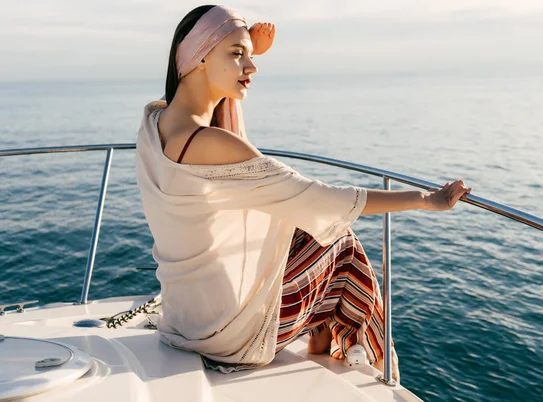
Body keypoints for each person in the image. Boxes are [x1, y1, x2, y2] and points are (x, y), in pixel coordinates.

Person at [135, 4, 471, 383]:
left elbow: (205, 96)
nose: (253, 67)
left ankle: (327, 348)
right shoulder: (212, 144)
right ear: (198, 58)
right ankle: (364, 362)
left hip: (184, 317)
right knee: (340, 242)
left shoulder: (156, 121)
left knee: (302, 232)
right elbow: (320, 198)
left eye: (249, 56)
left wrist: (239, 51)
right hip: (225, 337)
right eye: (237, 55)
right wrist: (425, 200)